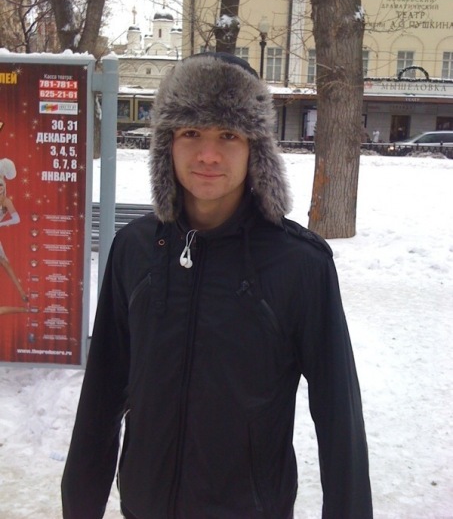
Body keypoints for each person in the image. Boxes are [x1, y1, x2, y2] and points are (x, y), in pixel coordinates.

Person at [62, 53, 373, 519]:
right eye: (191, 133)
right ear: (167, 144)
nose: (208, 155)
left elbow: (339, 417)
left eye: (228, 135)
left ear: (255, 149)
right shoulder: (134, 250)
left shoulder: (299, 264)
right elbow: (102, 392)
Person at [0, 158, 29, 315]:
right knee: (5, 263)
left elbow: (17, 219)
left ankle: (22, 293)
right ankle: (22, 294)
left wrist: (1, 224)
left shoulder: (6, 201)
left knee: (6, 264)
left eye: (1, 185)